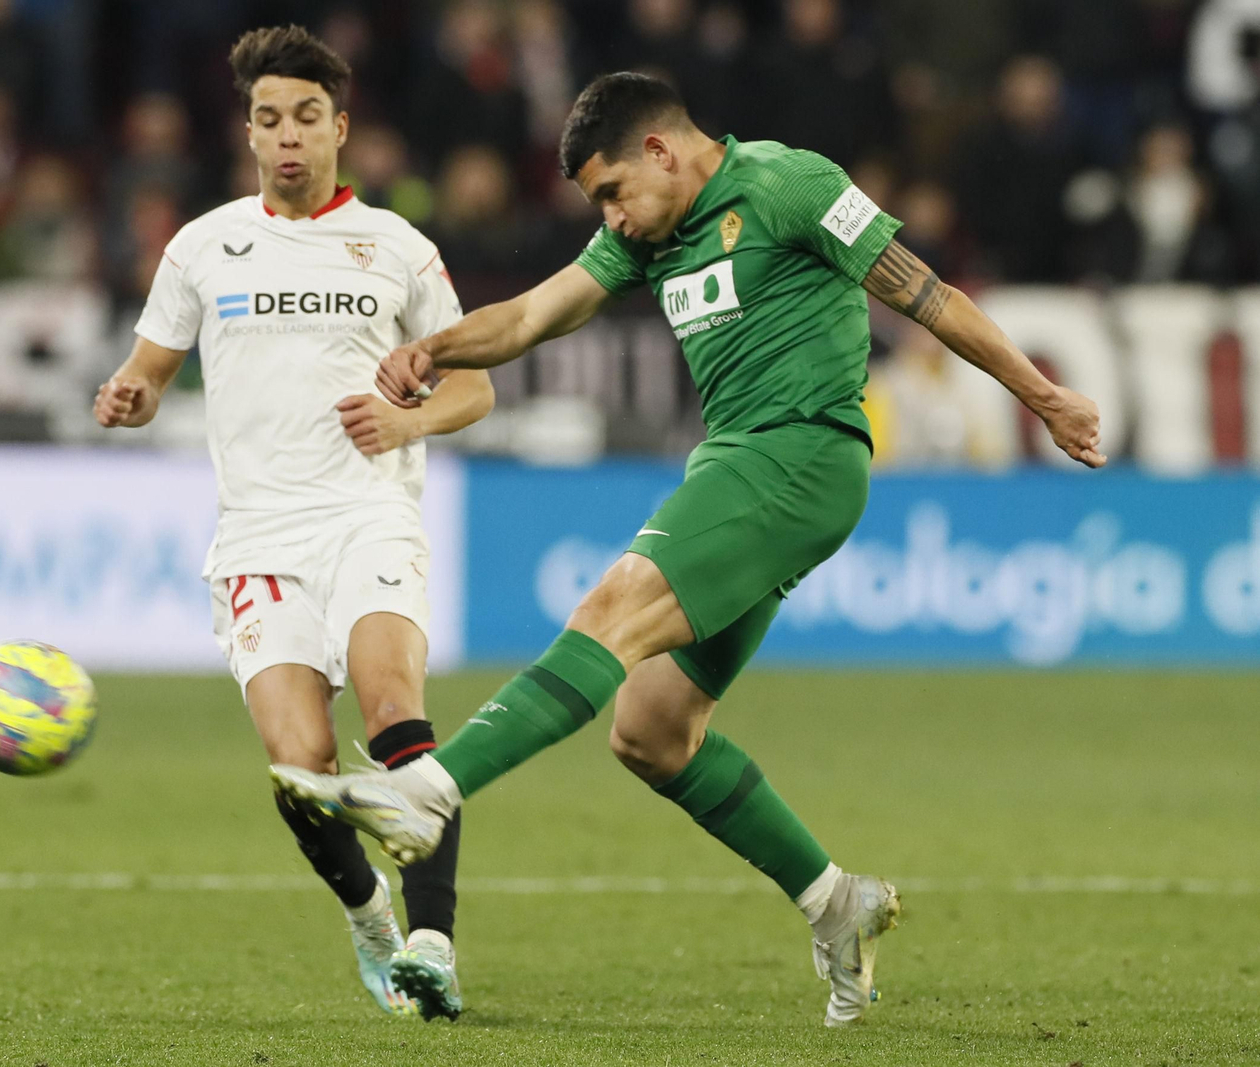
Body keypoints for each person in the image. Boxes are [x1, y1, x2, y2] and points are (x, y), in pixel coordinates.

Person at [274, 72, 1104, 1028]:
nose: (613, 218)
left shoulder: (787, 184)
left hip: (800, 451)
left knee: (609, 610)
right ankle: (835, 899)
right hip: (741, 462)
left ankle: (430, 789)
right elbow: (538, 312)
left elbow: (927, 295)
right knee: (652, 730)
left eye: (613, 192)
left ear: (661, 151)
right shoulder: (649, 233)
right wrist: (438, 350)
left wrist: (1046, 398)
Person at [93, 25, 492, 1021]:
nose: (287, 136)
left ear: (340, 129)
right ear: (249, 130)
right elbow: (145, 372)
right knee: (300, 763)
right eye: (268, 117)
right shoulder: (202, 246)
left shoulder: (397, 247)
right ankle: (370, 919)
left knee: (393, 704)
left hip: (369, 512)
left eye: (306, 117)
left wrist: (408, 414)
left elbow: (475, 389)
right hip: (259, 537)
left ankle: (435, 945)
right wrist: (128, 397)